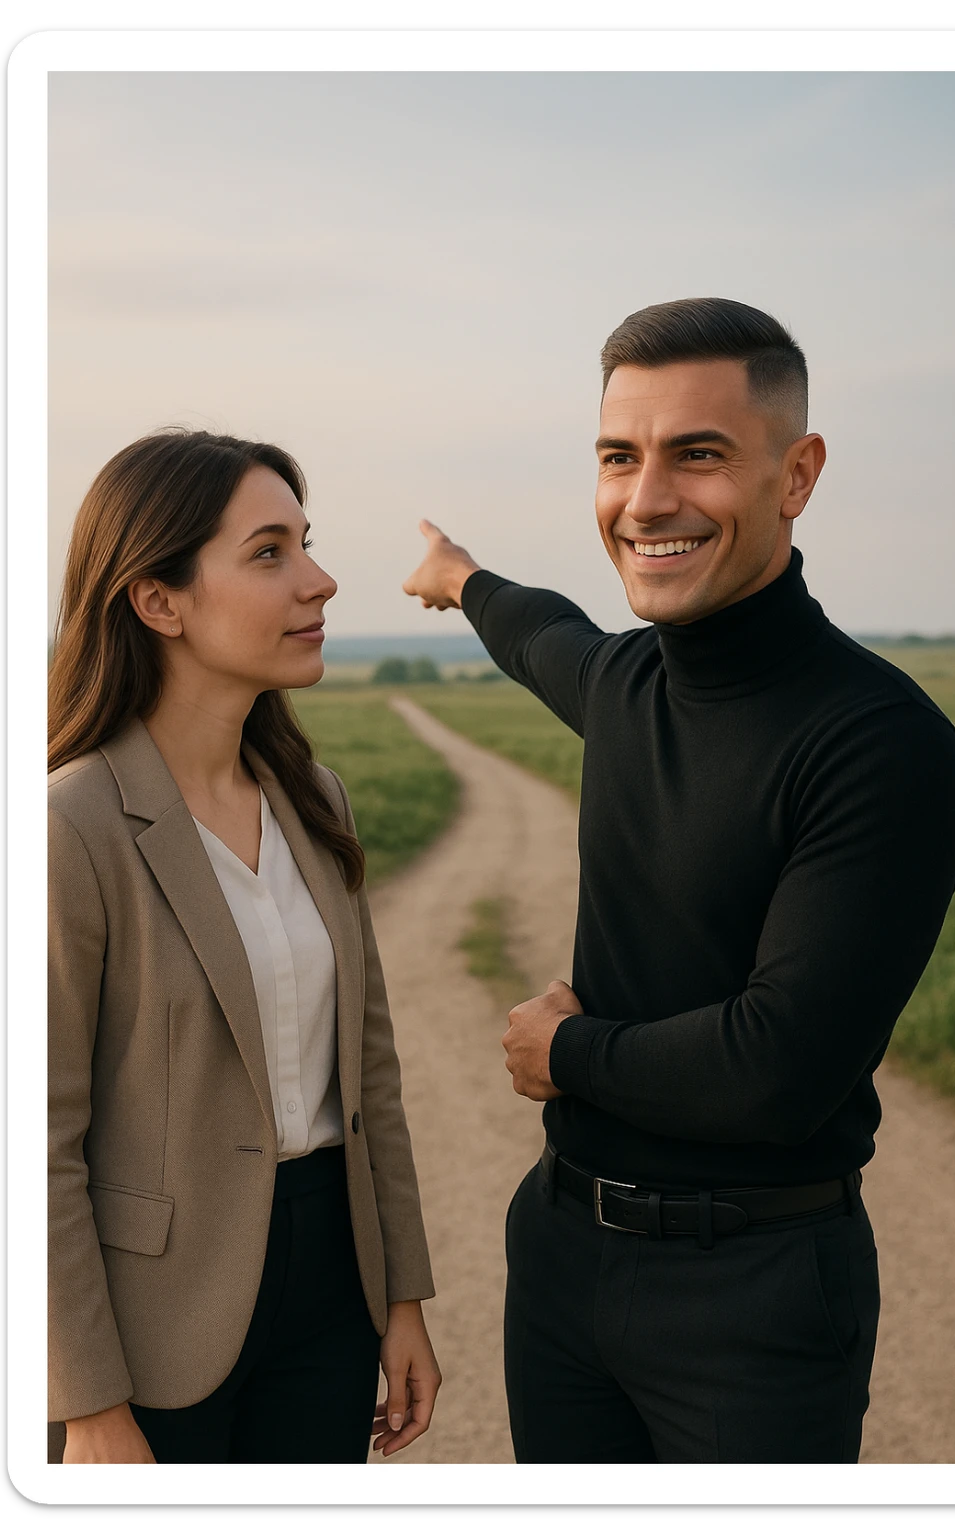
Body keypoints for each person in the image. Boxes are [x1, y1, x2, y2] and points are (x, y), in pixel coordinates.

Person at [401, 297, 955, 1465]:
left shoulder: (877, 743)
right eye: (619, 457)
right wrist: (459, 577)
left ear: (796, 474)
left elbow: (778, 1069)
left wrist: (565, 1055)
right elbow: (540, 631)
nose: (646, 499)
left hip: (753, 1293)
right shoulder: (624, 686)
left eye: (697, 454)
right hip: (561, 1256)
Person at [48, 429, 441, 1465]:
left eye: (306, 543)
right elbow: (35, 1142)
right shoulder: (70, 828)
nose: (319, 580)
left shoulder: (316, 801)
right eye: (269, 553)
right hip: (151, 1323)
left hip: (330, 1295)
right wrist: (85, 1403)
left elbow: (371, 1073)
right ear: (158, 601)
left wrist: (401, 1296)